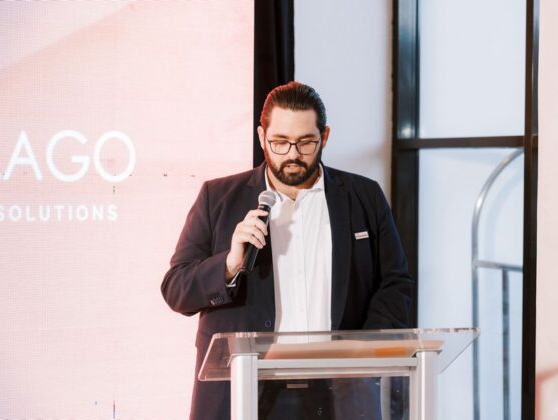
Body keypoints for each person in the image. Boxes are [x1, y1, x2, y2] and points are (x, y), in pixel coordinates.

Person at [161, 81, 413, 420]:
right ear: (261, 137)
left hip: (340, 392)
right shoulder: (218, 197)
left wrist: (361, 355)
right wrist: (229, 265)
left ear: (324, 137)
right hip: (245, 391)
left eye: (305, 142)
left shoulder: (364, 196)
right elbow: (176, 289)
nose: (292, 154)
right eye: (279, 142)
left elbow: (396, 284)